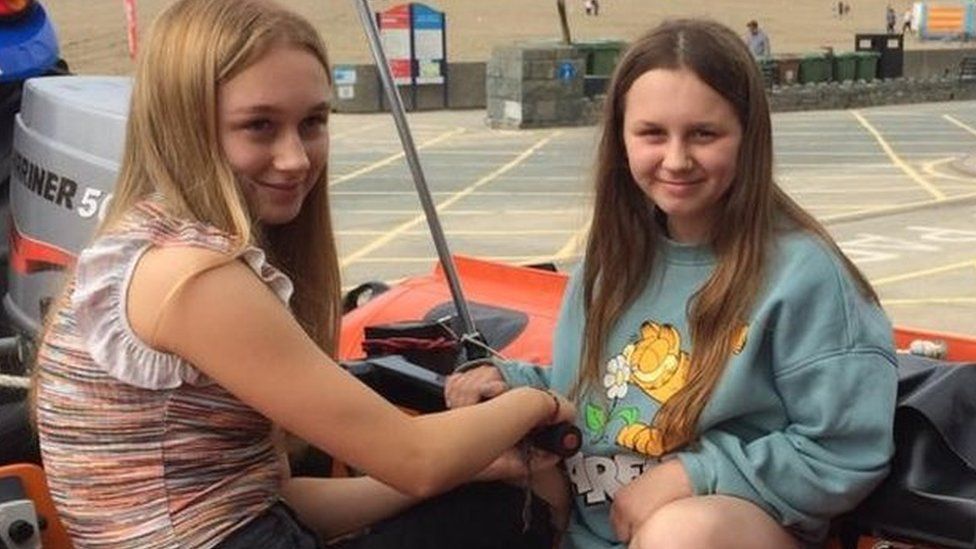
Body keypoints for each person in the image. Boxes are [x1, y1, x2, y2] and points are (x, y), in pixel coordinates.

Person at [30, 0, 575, 547]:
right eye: (259, 126)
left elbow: (269, 505)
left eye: (312, 122)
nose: (294, 158)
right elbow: (418, 460)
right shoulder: (195, 279)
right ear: (183, 126)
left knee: (496, 490)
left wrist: (479, 466)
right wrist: (538, 401)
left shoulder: (139, 245)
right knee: (517, 513)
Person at [447, 18, 898, 549]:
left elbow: (845, 452)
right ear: (621, 139)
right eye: (652, 133)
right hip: (589, 519)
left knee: (678, 534)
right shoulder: (609, 258)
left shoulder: (807, 275)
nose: (677, 159)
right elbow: (598, 389)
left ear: (749, 137)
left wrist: (693, 475)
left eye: (704, 133)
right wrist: (510, 381)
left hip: (724, 527)